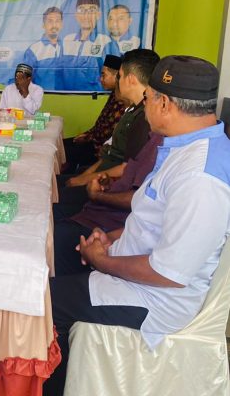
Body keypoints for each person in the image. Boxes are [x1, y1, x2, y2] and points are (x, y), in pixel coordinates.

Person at [45, 55, 230, 395]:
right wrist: (109, 238)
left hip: (152, 299)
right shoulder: (186, 147)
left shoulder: (200, 177)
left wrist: (103, 260)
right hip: (130, 266)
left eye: (148, 99)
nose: (145, 107)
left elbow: (168, 273)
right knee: (50, 257)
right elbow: (152, 220)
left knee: (42, 304)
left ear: (165, 104)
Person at [54, 130, 163, 276]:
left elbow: (141, 200)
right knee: (45, 218)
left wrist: (97, 195)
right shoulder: (156, 137)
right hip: (101, 217)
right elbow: (130, 178)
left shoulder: (165, 146)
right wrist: (110, 183)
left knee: (50, 235)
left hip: (109, 223)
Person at [64, 49, 157, 188]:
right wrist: (84, 177)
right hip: (101, 176)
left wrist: (83, 180)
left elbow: (126, 169)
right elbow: (109, 156)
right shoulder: (133, 110)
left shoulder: (144, 118)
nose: (118, 81)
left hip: (110, 185)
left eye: (120, 76)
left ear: (130, 79)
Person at [63, 54, 125, 173]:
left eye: (103, 75)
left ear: (117, 76)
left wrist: (88, 137)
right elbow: (100, 125)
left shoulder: (123, 100)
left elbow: (107, 133)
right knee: (60, 145)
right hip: (94, 141)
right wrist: (87, 134)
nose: (100, 79)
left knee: (66, 151)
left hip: (99, 149)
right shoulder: (114, 95)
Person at [60, 0, 111, 91]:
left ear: (98, 14)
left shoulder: (105, 42)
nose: (86, 15)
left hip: (94, 98)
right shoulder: (67, 40)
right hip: (67, 97)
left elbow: (111, 78)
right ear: (76, 15)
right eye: (82, 10)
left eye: (92, 10)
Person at [23, 6, 64, 89]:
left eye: (57, 21)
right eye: (50, 21)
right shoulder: (33, 50)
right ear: (43, 25)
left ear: (61, 25)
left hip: (65, 96)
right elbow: (25, 80)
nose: (54, 25)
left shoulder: (66, 47)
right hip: (43, 96)